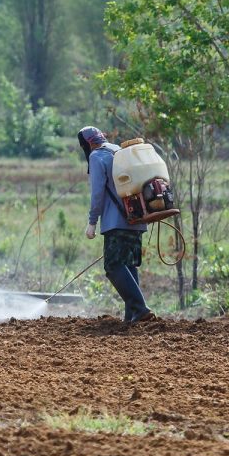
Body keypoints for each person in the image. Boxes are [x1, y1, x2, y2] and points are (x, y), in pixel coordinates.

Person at [77, 126, 157, 323]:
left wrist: (92, 222)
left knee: (113, 265)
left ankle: (140, 309)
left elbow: (97, 193)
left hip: (116, 222)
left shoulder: (97, 157)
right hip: (137, 218)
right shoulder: (118, 151)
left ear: (87, 143)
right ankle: (132, 317)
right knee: (128, 264)